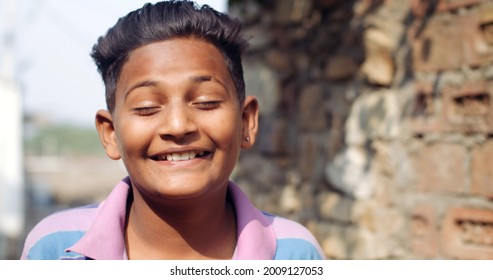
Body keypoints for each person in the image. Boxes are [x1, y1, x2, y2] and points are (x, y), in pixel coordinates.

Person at [20, 0, 325, 260]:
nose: (178, 126)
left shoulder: (294, 253)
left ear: (246, 121)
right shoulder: (56, 250)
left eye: (206, 102)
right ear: (110, 134)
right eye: (146, 107)